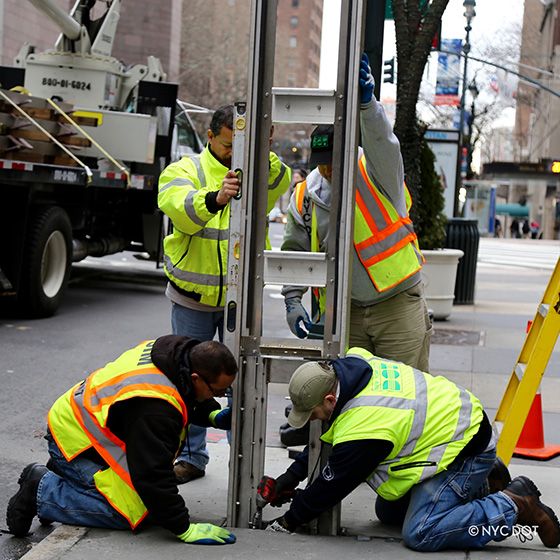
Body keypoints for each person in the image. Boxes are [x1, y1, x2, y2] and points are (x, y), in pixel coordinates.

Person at [261, 351, 560, 551]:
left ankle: (513, 505)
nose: (311, 421)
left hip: (464, 452)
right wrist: (291, 476)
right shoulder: (353, 366)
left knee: (421, 531)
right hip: (457, 432)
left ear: (329, 399)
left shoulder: (365, 425)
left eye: (312, 413)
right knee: (388, 511)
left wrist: (287, 522)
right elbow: (331, 443)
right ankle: (482, 487)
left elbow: (332, 484)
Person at [158, 105, 291, 483]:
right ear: (211, 137)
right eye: (230, 144)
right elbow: (178, 208)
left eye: (243, 144)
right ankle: (191, 457)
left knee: (241, 377)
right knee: (190, 379)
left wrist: (258, 145)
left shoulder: (259, 168)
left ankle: (243, 462)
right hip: (193, 298)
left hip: (241, 298)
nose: (236, 153)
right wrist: (215, 197)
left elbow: (280, 178)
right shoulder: (185, 170)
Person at [6, 335, 237, 545]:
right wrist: (183, 528)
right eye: (218, 391)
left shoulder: (176, 354)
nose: (219, 397)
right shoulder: (155, 409)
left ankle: (68, 478)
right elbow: (151, 475)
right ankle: (41, 490)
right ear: (196, 378)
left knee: (149, 505)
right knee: (126, 513)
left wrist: (211, 414)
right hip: (75, 439)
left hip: (90, 427)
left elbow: (185, 393)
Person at [281, 54, 431, 372]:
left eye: (334, 160)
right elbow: (294, 251)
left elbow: (384, 145)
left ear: (350, 149)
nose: (327, 168)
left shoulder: (377, 173)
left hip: (397, 303)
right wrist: (292, 299)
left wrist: (368, 108)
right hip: (345, 312)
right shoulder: (304, 196)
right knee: (353, 401)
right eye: (322, 161)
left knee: (406, 394)